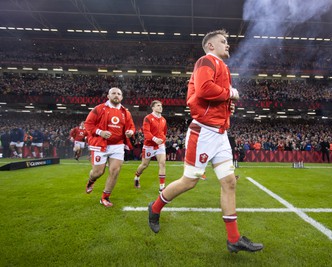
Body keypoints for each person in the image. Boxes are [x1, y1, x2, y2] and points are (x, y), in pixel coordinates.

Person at [147, 29, 263, 253]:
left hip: (220, 135)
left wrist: (228, 104)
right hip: (203, 133)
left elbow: (217, 97)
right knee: (190, 181)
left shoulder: (224, 67)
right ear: (210, 46)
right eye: (223, 41)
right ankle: (155, 207)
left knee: (229, 182)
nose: (227, 45)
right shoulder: (205, 61)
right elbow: (204, 89)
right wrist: (230, 94)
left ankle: (233, 239)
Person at [84, 87, 135, 207]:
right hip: (100, 144)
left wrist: (130, 132)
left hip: (117, 145)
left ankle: (105, 197)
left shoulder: (126, 112)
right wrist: (100, 132)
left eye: (119, 94)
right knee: (98, 172)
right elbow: (88, 124)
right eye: (113, 93)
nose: (116, 95)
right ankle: (91, 181)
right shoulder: (99, 108)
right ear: (108, 96)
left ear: (121, 97)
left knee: (115, 171)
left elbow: (131, 127)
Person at [133, 100, 167, 193]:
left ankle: (162, 188)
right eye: (158, 105)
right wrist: (155, 139)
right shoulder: (148, 118)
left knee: (162, 163)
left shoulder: (163, 119)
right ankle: (137, 177)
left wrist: (162, 140)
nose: (160, 107)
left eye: (161, 105)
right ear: (153, 108)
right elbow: (146, 132)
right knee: (144, 165)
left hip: (160, 145)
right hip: (149, 145)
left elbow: (164, 133)